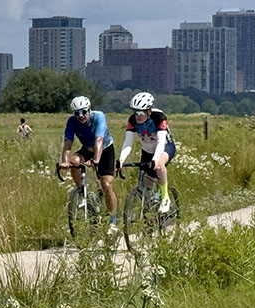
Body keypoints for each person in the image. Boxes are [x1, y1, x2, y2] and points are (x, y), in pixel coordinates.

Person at [59, 95, 118, 231]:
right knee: (74, 162)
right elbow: (67, 143)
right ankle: (83, 191)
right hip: (87, 148)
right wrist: (65, 162)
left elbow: (99, 141)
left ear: (89, 110)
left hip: (105, 149)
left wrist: (96, 160)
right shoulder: (72, 121)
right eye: (77, 113)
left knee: (106, 184)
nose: (80, 115)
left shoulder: (98, 117)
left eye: (83, 112)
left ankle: (113, 221)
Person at [117, 92, 176, 213]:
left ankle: (165, 198)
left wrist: (155, 159)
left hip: (165, 146)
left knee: (159, 165)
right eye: (135, 111)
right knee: (147, 181)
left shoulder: (159, 117)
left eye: (140, 112)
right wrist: (121, 160)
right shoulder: (132, 120)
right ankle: (150, 208)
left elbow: (160, 141)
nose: (137, 116)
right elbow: (128, 143)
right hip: (147, 150)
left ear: (149, 111)